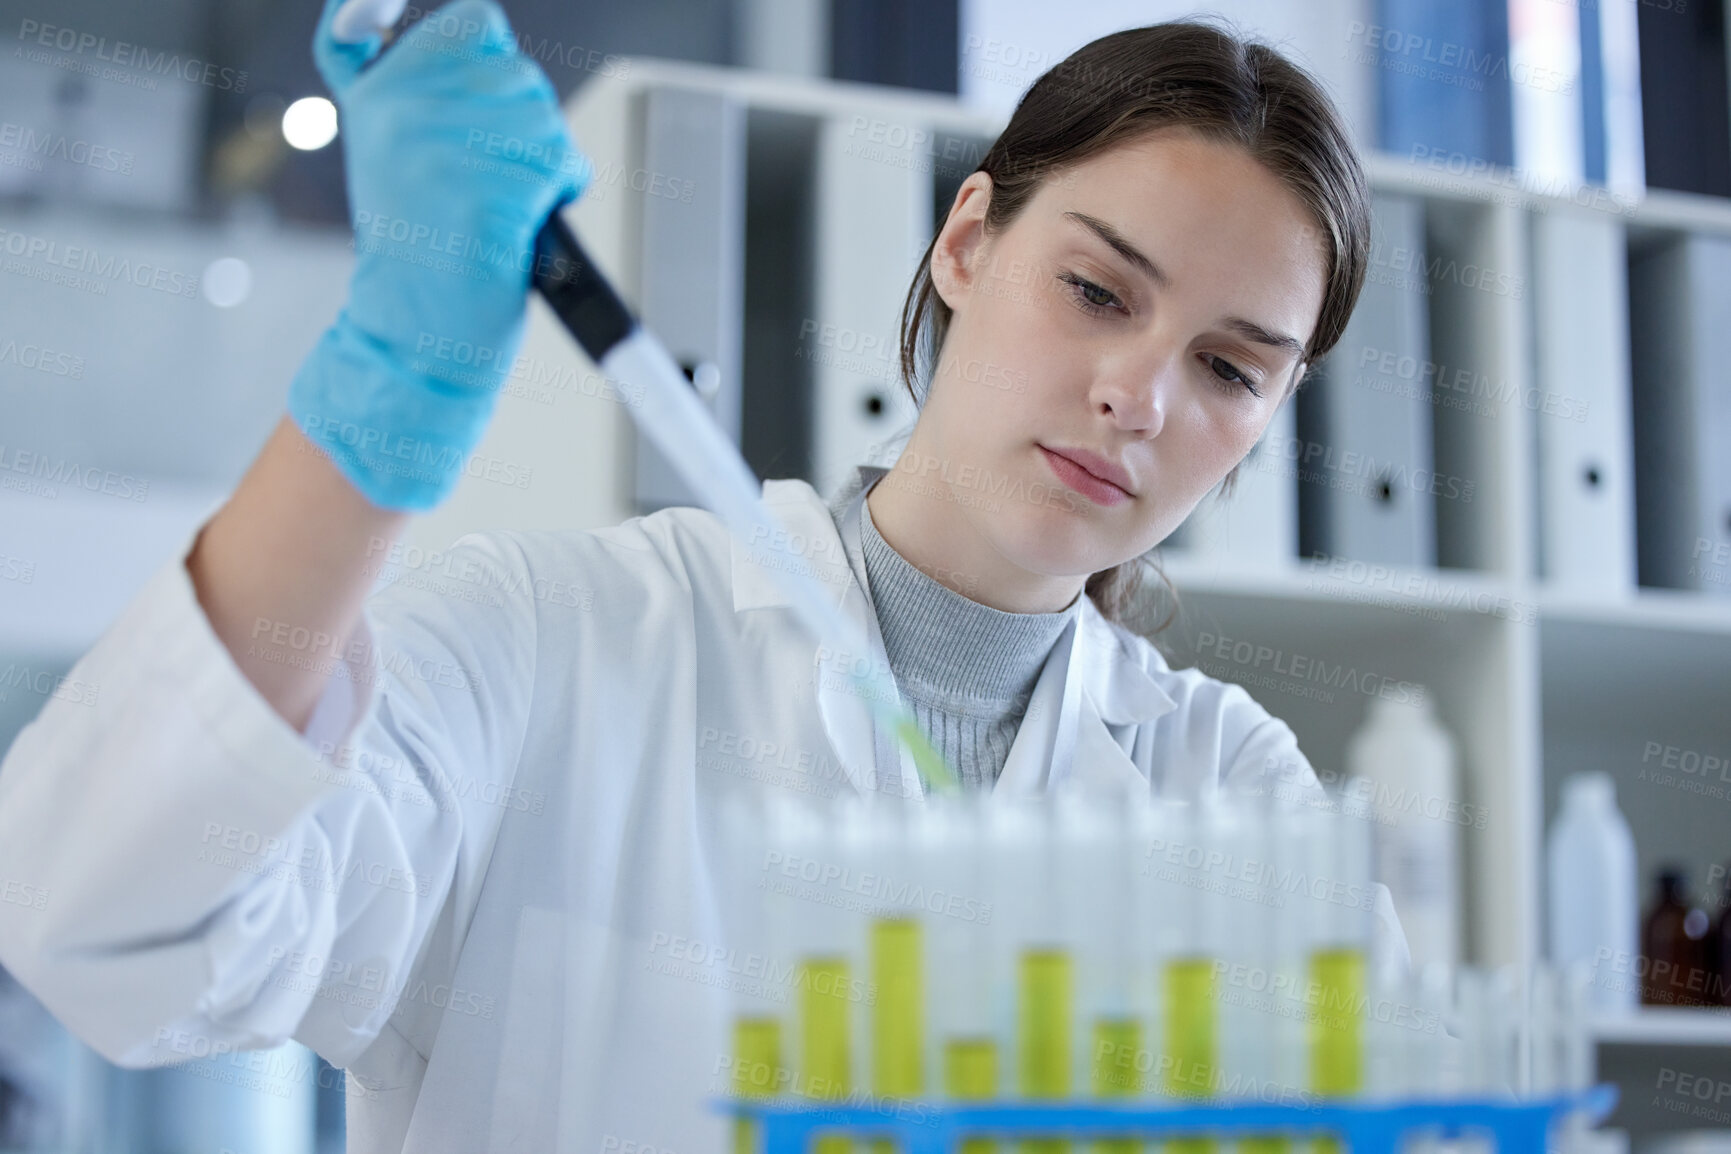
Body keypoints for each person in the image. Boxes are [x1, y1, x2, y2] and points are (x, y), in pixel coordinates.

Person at [0, 3, 1406, 1151]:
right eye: (1098, 291)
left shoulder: (1237, 799)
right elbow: (112, 918)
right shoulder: (563, 640)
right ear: (969, 241)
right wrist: (390, 392)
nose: (1141, 397)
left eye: (1228, 367)